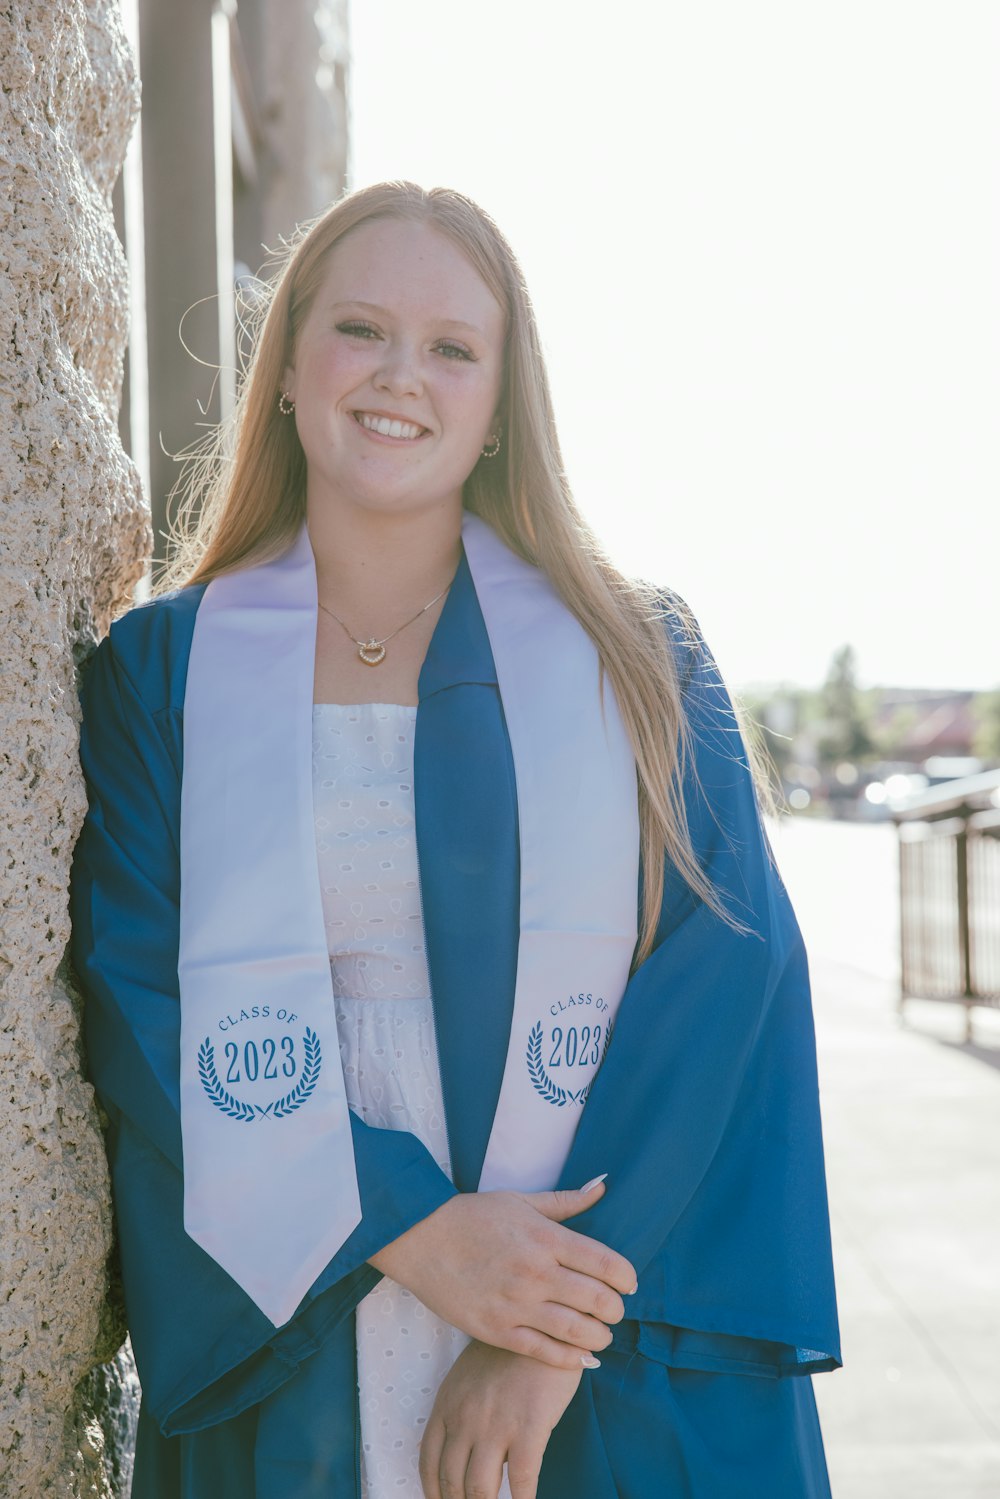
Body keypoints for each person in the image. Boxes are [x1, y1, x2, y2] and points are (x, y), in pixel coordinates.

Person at [70, 180, 842, 1499]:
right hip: (304, 1281)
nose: (400, 378)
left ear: (498, 402)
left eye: (451, 348)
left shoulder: (635, 655)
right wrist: (412, 1228)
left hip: (599, 1300)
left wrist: (547, 1332)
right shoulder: (163, 671)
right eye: (361, 329)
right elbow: (142, 1002)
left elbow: (729, 990)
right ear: (292, 364)